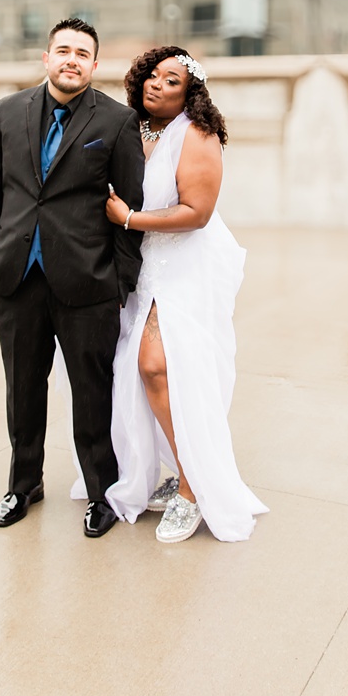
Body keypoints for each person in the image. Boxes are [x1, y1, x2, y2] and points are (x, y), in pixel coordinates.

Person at [0, 17, 144, 538]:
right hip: (16, 278)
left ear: (94, 64)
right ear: (47, 58)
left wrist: (120, 282)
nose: (71, 59)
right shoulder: (8, 111)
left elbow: (130, 206)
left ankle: (101, 493)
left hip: (86, 283)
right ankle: (23, 484)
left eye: (82, 53)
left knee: (92, 392)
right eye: (62, 50)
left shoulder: (116, 122)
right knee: (22, 389)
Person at [104, 46, 267, 543]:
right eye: (152, 75)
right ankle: (180, 469)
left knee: (160, 363)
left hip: (186, 262)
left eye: (171, 80)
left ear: (189, 91)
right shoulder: (133, 128)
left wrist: (129, 219)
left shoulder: (198, 133)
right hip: (144, 263)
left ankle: (196, 488)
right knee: (144, 369)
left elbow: (195, 212)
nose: (157, 84)